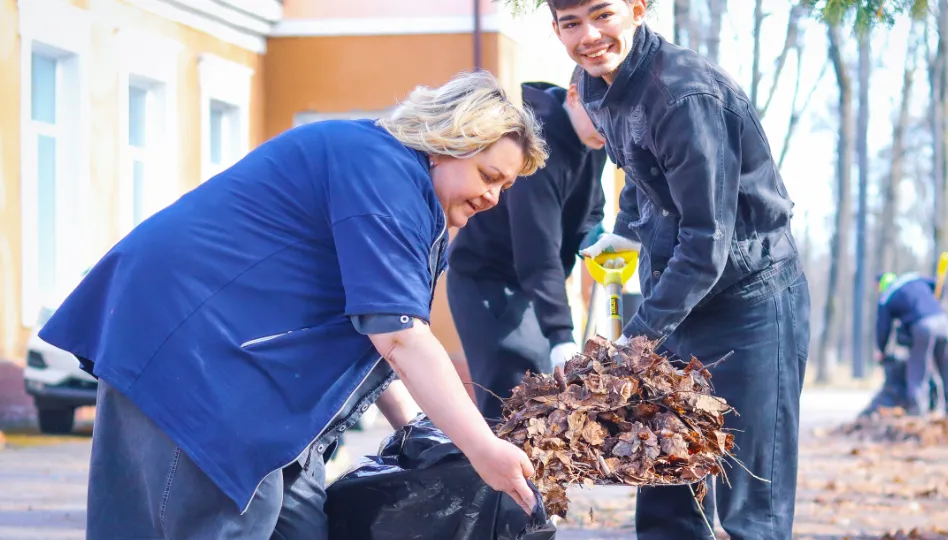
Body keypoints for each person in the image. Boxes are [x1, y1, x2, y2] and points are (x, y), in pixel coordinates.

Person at [36, 70, 549, 539]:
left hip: (251, 381)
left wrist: (416, 430)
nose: (494, 199)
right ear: (447, 143)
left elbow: (373, 336)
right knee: (226, 521)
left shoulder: (408, 195)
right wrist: (483, 451)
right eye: (488, 175)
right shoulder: (382, 172)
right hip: (192, 354)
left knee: (300, 527)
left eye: (504, 186)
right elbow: (399, 337)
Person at [545, 1, 811, 539]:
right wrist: (623, 231)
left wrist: (634, 344)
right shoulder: (594, 84)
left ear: (638, 9)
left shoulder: (684, 96)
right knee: (665, 475)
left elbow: (707, 240)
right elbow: (639, 175)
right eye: (571, 23)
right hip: (681, 294)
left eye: (603, 15)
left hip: (750, 299)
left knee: (749, 501)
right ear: (556, 29)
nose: (589, 36)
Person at [446, 67, 609, 420]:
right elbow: (537, 252)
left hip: (529, 285)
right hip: (488, 281)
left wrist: (595, 242)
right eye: (602, 111)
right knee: (518, 393)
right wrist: (561, 334)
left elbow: (592, 209)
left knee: (545, 391)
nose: (609, 125)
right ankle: (494, 473)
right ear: (573, 96)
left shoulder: (594, 140)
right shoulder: (541, 147)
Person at [876, 272, 948, 416]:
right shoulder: (914, 278)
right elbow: (940, 286)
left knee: (918, 372)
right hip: (944, 322)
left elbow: (883, 327)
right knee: (947, 372)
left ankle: (918, 415)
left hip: (922, 327)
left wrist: (881, 349)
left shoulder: (887, 297)